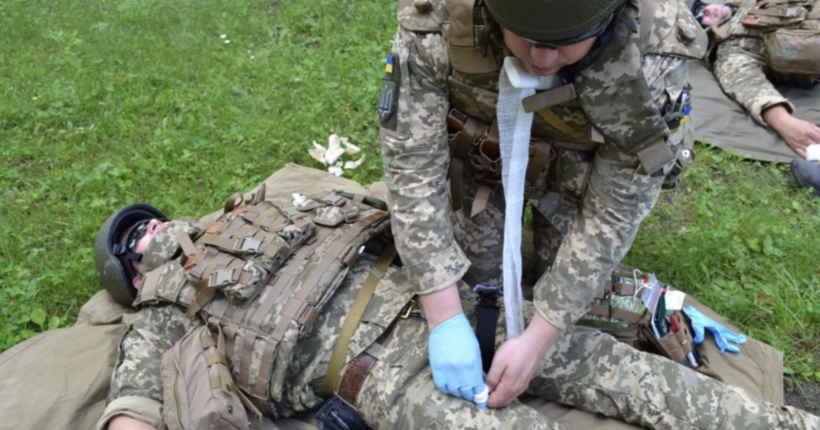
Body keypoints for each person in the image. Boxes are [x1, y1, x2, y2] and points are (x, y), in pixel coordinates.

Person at [95, 199, 820, 430]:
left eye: (148, 222)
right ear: (134, 275)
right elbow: (133, 404)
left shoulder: (265, 206)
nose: (152, 234)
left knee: (622, 372)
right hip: (379, 372)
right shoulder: (165, 310)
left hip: (450, 307)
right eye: (137, 245)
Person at [380, 0, 708, 408]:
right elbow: (412, 166)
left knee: (568, 308)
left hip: (580, 181)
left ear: (610, 16)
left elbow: (616, 208)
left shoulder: (653, 55)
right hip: (484, 158)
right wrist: (443, 316)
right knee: (478, 294)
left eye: (566, 41)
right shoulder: (439, 22)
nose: (542, 58)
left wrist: (539, 338)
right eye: (528, 37)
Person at [698, 0, 820, 195]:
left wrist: (728, 9)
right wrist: (782, 120)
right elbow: (741, 73)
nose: (708, 10)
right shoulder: (738, 43)